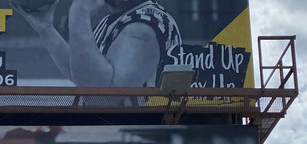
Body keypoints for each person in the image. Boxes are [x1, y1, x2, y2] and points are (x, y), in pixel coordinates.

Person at [14, 0, 182, 105]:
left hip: (131, 139)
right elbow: (84, 76)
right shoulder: (119, 18)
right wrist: (46, 29)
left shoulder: (143, 27)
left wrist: (79, 11)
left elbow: (102, 99)